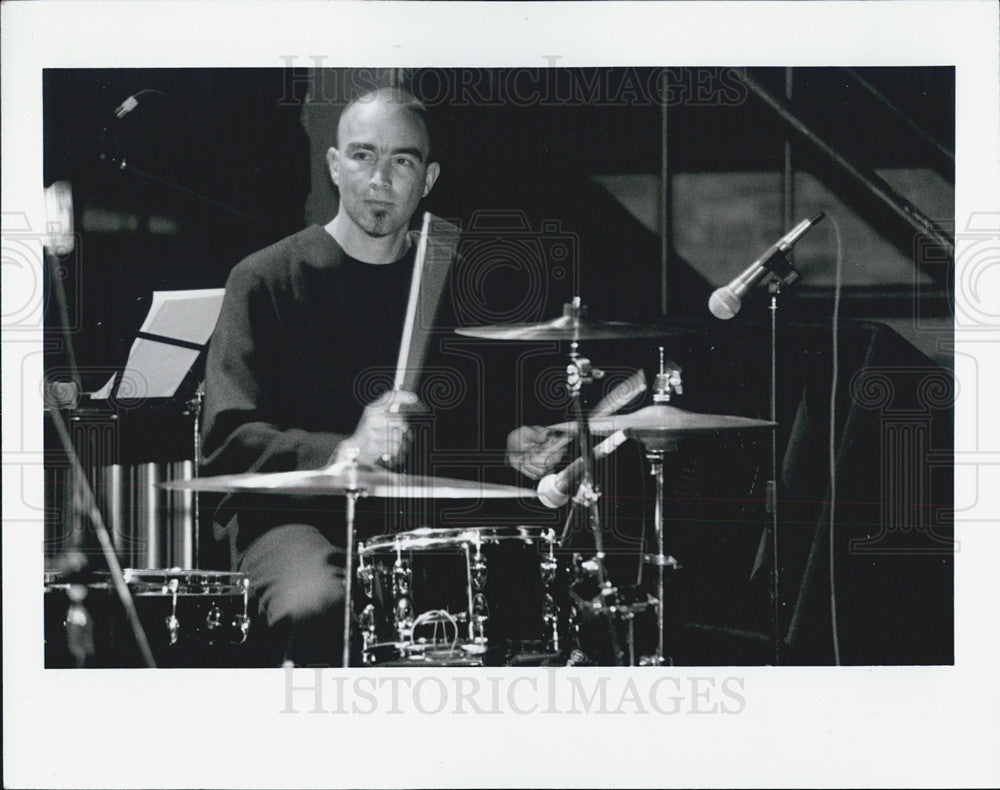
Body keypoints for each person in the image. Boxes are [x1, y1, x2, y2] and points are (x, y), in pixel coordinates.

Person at [202, 86, 569, 666]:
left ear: (428, 178)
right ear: (333, 166)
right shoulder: (265, 279)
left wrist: (505, 445)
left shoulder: (446, 281)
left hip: (416, 519)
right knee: (316, 603)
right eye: (362, 155)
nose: (381, 178)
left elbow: (447, 432)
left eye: (403, 159)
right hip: (295, 521)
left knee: (524, 602)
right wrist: (344, 448)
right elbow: (225, 441)